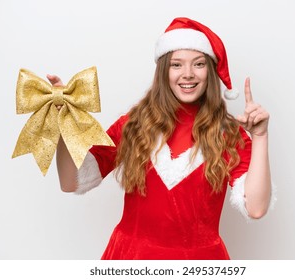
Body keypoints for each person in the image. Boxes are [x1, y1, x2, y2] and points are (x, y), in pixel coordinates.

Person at [47, 17, 275, 260]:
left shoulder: (228, 134)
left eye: (198, 64)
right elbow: (71, 182)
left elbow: (256, 207)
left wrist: (260, 136)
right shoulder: (134, 124)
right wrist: (65, 128)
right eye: (176, 64)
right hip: (130, 259)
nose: (187, 74)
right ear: (164, 70)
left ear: (210, 71)